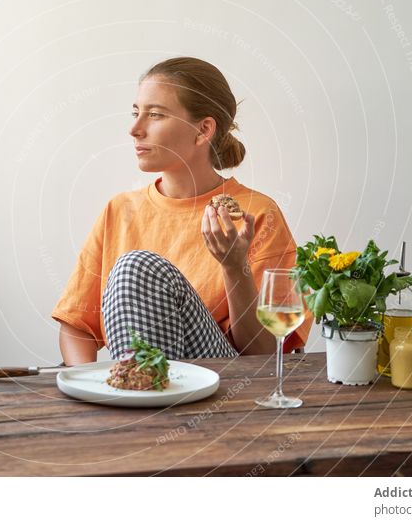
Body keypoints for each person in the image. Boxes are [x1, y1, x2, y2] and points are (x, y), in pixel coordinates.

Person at [51, 57, 311, 365]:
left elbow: (262, 354)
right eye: (136, 113)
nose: (134, 129)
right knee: (135, 268)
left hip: (225, 384)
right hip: (133, 393)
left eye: (155, 115)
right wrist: (91, 380)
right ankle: (140, 392)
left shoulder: (257, 214)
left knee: (136, 267)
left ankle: (144, 394)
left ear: (203, 130)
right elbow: (77, 326)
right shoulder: (119, 211)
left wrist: (234, 268)